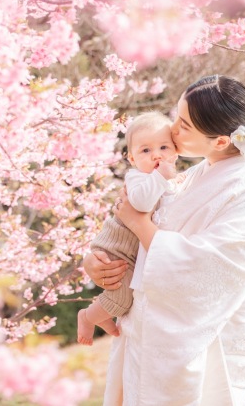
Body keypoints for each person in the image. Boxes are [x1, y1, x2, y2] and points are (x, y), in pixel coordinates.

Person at [83, 75, 245, 406]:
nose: (172, 129)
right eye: (176, 116)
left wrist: (138, 224)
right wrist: (98, 262)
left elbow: (207, 267)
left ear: (221, 141)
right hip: (147, 332)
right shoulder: (193, 174)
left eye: (184, 125)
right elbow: (134, 233)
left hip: (204, 346)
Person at [77, 112, 180, 345]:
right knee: (122, 299)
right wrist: (161, 178)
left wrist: (169, 180)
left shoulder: (165, 179)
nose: (156, 155)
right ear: (132, 159)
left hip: (132, 251)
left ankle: (99, 314)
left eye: (164, 147)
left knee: (123, 296)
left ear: (176, 152)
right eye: (145, 151)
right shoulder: (137, 178)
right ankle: (87, 316)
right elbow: (142, 203)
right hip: (117, 247)